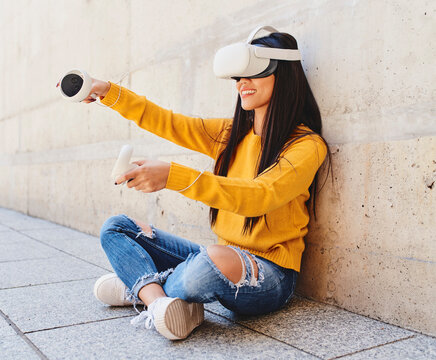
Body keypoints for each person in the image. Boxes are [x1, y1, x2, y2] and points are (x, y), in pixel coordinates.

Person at [83, 27, 330, 341]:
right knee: (116, 227)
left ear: (284, 76)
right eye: (238, 76)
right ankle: (159, 300)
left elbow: (261, 196)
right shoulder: (232, 134)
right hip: (223, 256)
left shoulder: (307, 146)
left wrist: (173, 176)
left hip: (270, 276)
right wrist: (108, 91)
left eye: (253, 73)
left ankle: (143, 287)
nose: (242, 83)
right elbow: (170, 123)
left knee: (207, 264)